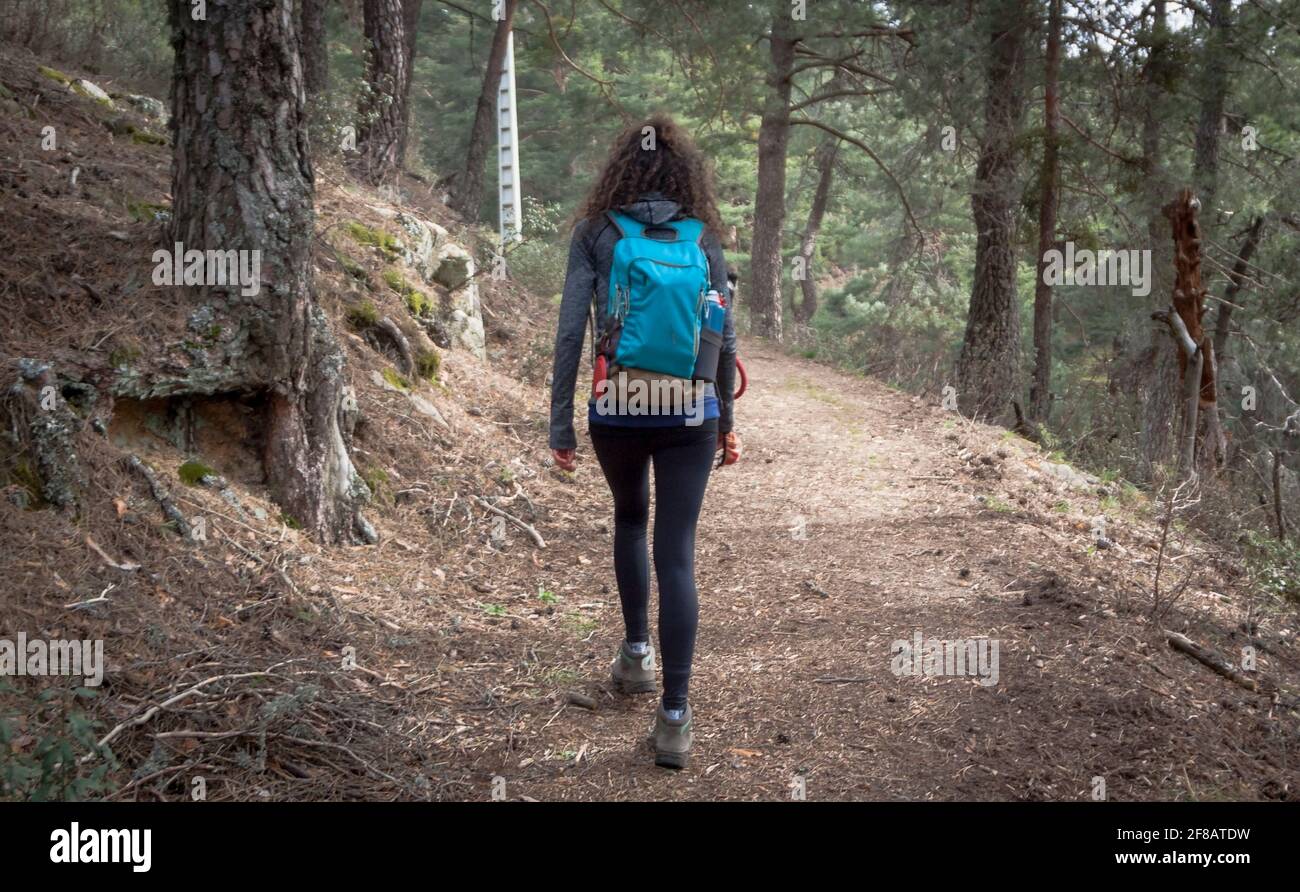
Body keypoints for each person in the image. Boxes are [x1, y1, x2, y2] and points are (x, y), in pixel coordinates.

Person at [548, 113, 741, 769]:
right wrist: (729, 425)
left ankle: (636, 658)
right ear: (683, 172)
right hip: (691, 407)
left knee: (631, 519)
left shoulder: (595, 234)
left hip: (620, 403)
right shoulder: (703, 236)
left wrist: (561, 425)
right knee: (677, 553)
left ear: (620, 171)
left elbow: (571, 333)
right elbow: (724, 335)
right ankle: (676, 720)